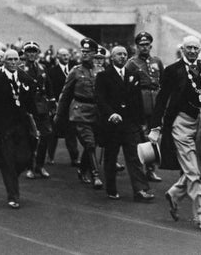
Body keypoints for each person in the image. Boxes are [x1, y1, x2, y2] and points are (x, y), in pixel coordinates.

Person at [148, 35, 201, 232]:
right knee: (192, 171)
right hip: (181, 123)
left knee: (199, 169)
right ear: (182, 49)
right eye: (189, 48)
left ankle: (175, 193)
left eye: (195, 48)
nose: (192, 51)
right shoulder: (172, 71)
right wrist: (155, 127)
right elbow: (161, 100)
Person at [96, 46, 154, 202]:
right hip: (112, 125)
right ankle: (111, 189)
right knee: (111, 157)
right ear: (112, 57)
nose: (122, 57)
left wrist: (142, 122)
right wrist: (111, 114)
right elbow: (100, 99)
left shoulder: (132, 75)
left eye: (124, 54)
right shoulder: (103, 76)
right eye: (119, 54)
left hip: (130, 123)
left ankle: (140, 190)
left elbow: (137, 100)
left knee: (134, 157)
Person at [0, 49, 38, 209]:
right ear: (5, 61)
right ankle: (13, 195)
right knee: (8, 162)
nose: (14, 62)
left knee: (23, 159)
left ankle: (13, 179)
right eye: (10, 59)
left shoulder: (26, 79)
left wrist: (35, 126)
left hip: (22, 127)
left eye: (16, 59)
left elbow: (32, 105)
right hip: (4, 129)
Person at [55, 38, 103, 189]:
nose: (85, 55)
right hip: (79, 111)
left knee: (93, 144)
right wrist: (59, 114)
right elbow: (65, 95)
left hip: (95, 111)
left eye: (88, 52)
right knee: (89, 143)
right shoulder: (75, 71)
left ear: (95, 53)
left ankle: (82, 169)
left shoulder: (100, 71)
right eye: (83, 52)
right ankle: (95, 175)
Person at [125, 31, 164, 182]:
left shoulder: (157, 61)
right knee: (143, 136)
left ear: (151, 45)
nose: (144, 47)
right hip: (140, 103)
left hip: (156, 103)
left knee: (154, 136)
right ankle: (145, 168)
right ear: (137, 46)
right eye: (141, 45)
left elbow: (164, 82)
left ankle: (150, 169)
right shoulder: (132, 63)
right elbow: (126, 84)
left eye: (147, 45)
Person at [20, 42, 54, 179]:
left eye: (34, 51)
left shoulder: (42, 68)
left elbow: (49, 86)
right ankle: (30, 167)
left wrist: (52, 102)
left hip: (42, 106)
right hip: (28, 106)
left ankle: (39, 166)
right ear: (25, 54)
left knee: (46, 135)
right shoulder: (21, 68)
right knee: (31, 138)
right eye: (29, 52)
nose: (32, 54)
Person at [47, 47, 79, 166]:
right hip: (57, 106)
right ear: (58, 57)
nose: (66, 57)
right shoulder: (52, 71)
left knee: (71, 133)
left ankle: (74, 158)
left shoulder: (75, 69)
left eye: (67, 55)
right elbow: (50, 89)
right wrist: (53, 103)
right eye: (63, 55)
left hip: (72, 106)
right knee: (53, 134)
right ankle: (50, 157)